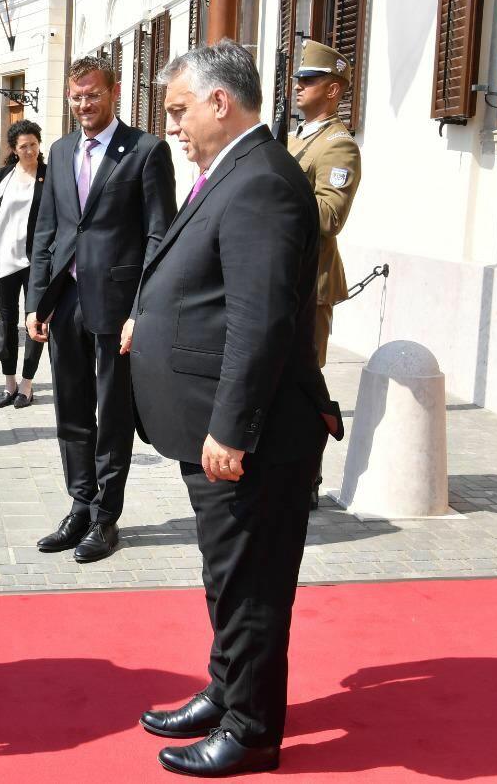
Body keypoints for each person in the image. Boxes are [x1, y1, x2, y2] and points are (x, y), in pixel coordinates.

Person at [124, 40, 341, 778]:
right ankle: (228, 689)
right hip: (213, 424)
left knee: (250, 585)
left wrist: (230, 426)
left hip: (250, 436)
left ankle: (251, 730)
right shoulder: (233, 171)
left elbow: (261, 318)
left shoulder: (261, 183)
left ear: (222, 102)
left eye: (180, 111)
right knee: (227, 576)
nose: (173, 127)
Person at [26, 54, 177, 564]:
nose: (84, 105)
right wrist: (35, 301)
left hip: (117, 305)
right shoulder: (61, 148)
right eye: (76, 97)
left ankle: (106, 517)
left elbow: (160, 236)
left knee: (112, 412)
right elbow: (46, 230)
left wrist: (143, 308)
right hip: (64, 300)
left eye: (92, 95)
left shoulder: (146, 151)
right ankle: (79, 504)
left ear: (114, 92)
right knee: (71, 407)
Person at [288, 40, 362, 369]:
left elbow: (330, 217)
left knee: (302, 380)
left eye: (310, 80)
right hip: (282, 271)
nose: (299, 85)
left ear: (332, 89)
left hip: (310, 279)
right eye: (299, 79)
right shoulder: (294, 138)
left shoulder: (338, 146)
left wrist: (280, 196)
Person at [0, 119, 47, 408]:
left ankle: (27, 385)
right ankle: (9, 383)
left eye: (33, 144)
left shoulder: (50, 175)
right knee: (7, 324)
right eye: (23, 146)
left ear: (39, 144)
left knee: (36, 322)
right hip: (3, 260)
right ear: (14, 149)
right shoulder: (4, 174)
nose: (29, 150)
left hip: (37, 263)